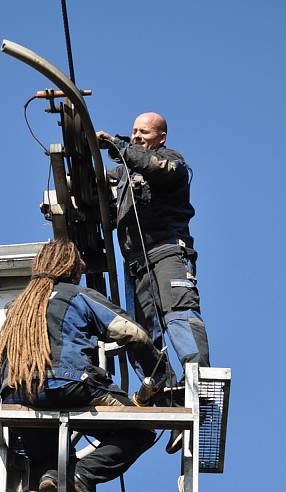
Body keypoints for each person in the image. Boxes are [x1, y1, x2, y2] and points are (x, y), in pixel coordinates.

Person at [0, 239, 167, 492]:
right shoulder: (75, 295)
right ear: (71, 268)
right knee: (141, 429)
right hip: (68, 382)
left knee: (50, 461)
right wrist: (159, 373)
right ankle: (81, 475)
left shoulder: (20, 306)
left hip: (19, 392)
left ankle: (53, 477)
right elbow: (133, 334)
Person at [96, 112, 210, 378]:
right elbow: (97, 183)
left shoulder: (172, 161)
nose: (136, 136)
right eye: (134, 131)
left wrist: (116, 145)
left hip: (167, 253)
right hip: (137, 266)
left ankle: (199, 378)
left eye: (144, 133)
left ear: (162, 137)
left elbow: (155, 166)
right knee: (140, 332)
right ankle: (162, 386)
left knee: (178, 313)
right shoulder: (123, 174)